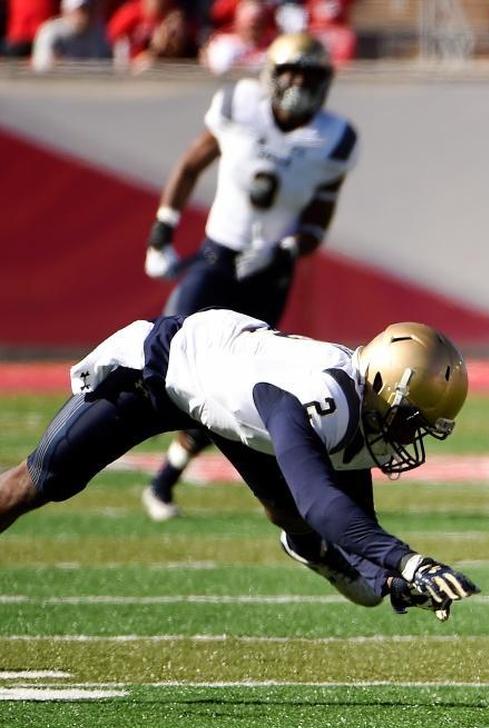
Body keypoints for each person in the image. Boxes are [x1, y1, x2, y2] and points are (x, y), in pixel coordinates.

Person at [0, 309, 479, 619]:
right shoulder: (323, 397)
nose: (407, 438)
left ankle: (308, 549)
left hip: (231, 398)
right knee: (35, 483)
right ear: (381, 385)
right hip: (163, 372)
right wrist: (411, 561)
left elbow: (353, 518)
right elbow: (320, 501)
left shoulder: (361, 402)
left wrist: (393, 579)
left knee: (329, 544)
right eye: (407, 422)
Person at [141, 32, 357, 522]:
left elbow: (318, 221)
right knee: (164, 352)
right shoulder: (241, 105)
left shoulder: (333, 139)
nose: (300, 83)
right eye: (292, 72)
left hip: (269, 272)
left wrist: (285, 249)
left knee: (235, 384)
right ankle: (93, 441)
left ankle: (164, 481)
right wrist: (163, 230)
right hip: (218, 257)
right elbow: (192, 163)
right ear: (272, 75)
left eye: (311, 75)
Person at [30, 0, 113, 71]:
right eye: (80, 10)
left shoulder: (99, 32)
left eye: (88, 10)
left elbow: (106, 65)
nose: (84, 16)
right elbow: (43, 69)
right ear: (66, 11)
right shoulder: (50, 33)